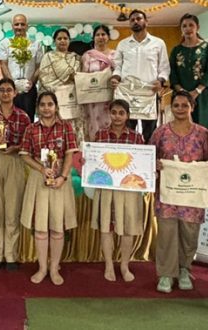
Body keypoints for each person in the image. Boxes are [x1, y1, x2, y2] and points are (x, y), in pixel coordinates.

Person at [150, 90, 208, 294]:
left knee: (189, 233)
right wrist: (156, 165)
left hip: (192, 195)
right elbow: (149, 157)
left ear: (192, 107)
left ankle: (185, 269)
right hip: (167, 193)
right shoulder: (160, 133)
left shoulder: (203, 134)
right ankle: (166, 274)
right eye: (176, 105)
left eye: (185, 105)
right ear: (171, 108)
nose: (180, 109)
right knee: (167, 233)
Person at [20, 91, 78, 285]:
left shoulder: (66, 127)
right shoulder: (30, 129)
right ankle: (42, 267)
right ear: (38, 108)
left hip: (60, 179)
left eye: (50, 104)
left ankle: (54, 268)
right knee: (40, 228)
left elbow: (70, 155)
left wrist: (63, 176)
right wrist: (41, 168)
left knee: (57, 228)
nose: (46, 108)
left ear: (56, 106)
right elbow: (25, 155)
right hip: (39, 178)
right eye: (43, 104)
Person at [89, 99, 144, 283]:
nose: (117, 116)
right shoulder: (100, 135)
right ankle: (109, 265)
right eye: (114, 112)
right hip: (106, 188)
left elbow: (142, 164)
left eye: (122, 113)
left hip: (128, 189)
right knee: (107, 227)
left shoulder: (137, 137)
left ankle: (124, 265)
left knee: (127, 227)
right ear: (109, 114)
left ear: (127, 115)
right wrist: (87, 162)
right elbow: (94, 161)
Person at [0, 78, 31, 272]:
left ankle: (11, 254)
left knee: (12, 207)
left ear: (15, 93)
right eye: (2, 90)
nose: (5, 93)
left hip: (15, 160)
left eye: (9, 90)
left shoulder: (23, 117)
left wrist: (16, 147)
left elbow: (28, 144)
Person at [110, 9, 170, 143]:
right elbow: (117, 66)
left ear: (146, 21)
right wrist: (115, 77)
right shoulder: (123, 44)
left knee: (150, 131)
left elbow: (164, 67)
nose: (135, 22)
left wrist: (160, 80)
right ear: (129, 24)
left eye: (139, 19)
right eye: (132, 20)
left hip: (149, 93)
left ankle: (148, 159)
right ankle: (128, 159)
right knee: (127, 130)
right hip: (127, 94)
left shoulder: (158, 43)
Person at [169, 14, 208, 128]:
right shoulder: (176, 50)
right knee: (182, 126)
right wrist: (182, 92)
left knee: (204, 127)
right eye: (184, 26)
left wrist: (196, 91)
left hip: (203, 95)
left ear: (197, 27)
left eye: (191, 25)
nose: (188, 28)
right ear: (181, 29)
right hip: (181, 96)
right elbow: (172, 73)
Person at [0, 14, 44, 122]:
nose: (19, 27)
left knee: (28, 119)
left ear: (27, 26)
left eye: (22, 24)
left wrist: (31, 82)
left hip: (29, 88)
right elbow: (3, 64)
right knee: (9, 119)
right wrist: (12, 84)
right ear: (12, 26)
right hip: (10, 89)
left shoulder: (36, 44)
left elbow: (39, 66)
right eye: (16, 24)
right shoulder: (5, 43)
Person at [81, 25, 116, 141]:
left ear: (108, 37)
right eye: (97, 35)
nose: (101, 37)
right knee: (93, 126)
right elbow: (83, 77)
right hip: (93, 99)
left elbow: (119, 74)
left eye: (103, 34)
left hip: (110, 97)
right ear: (94, 38)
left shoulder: (115, 55)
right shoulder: (87, 56)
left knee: (111, 123)